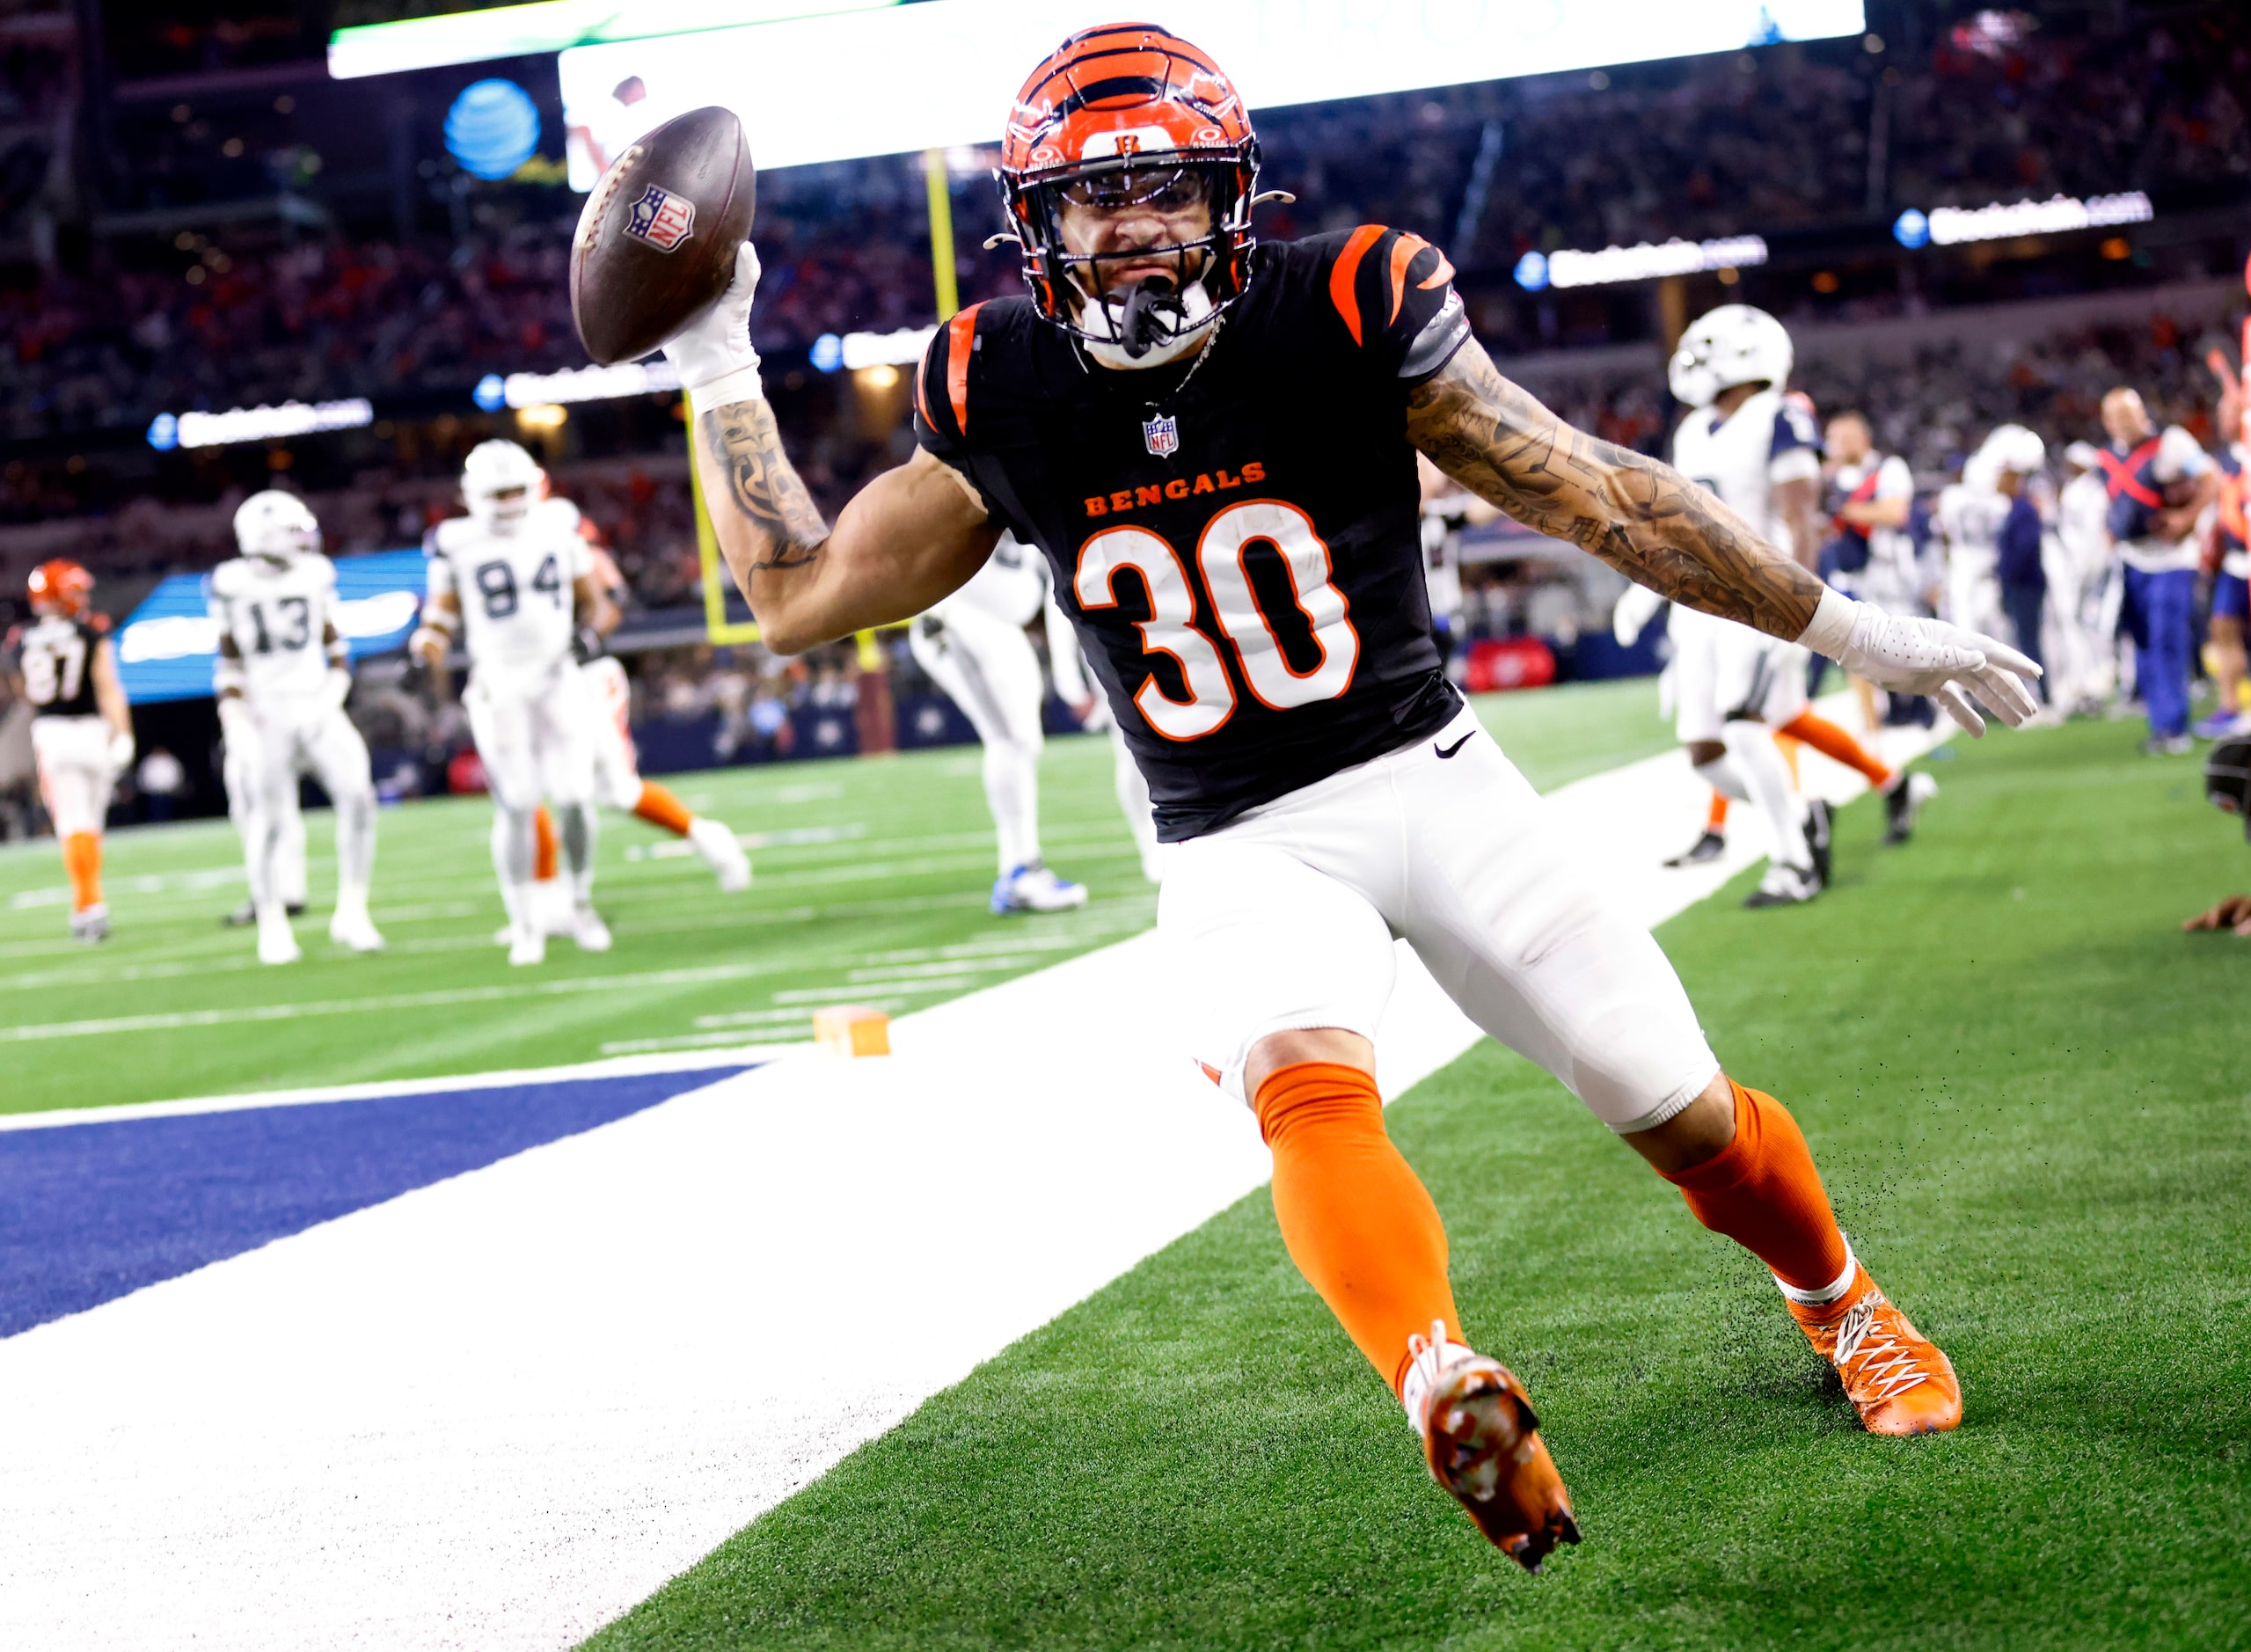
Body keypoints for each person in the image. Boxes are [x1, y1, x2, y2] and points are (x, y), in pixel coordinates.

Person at [644, 23, 2038, 1567]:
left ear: (1232, 197)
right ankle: (1438, 1376)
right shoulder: (998, 382)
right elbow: (792, 597)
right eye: (1096, 203)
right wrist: (714, 351)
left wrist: (1852, 632)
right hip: (1234, 835)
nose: (1134, 229)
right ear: (1034, 226)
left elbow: (1599, 494)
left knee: (1676, 1107)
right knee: (1303, 1085)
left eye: (1167, 188)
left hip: (1431, 778)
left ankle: (1842, 1301)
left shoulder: (1347, 301)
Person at [509, 500, 751, 938]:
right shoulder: (495, 550)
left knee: (616, 792)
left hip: (584, 678)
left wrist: (585, 635)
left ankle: (710, 840)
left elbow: (613, 602)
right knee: (525, 791)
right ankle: (543, 907)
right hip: (533, 685)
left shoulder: (566, 537)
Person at [413, 440, 613, 965]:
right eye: (497, 492)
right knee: (518, 803)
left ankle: (580, 902)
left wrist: (588, 637)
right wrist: (425, 647)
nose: (508, 502)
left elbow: (597, 605)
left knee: (573, 797)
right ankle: (525, 922)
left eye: (516, 490)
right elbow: (442, 613)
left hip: (556, 677)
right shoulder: (455, 542)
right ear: (473, 495)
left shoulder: (557, 525)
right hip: (498, 684)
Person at [208, 490, 385, 964]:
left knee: (359, 797)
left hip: (317, 704)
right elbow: (229, 663)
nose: (302, 537)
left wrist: (333, 692)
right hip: (266, 712)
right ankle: (272, 920)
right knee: (265, 822)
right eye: (291, 530)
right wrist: (235, 717)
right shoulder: (230, 582)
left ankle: (353, 909)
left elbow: (336, 646)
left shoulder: (316, 573)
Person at [908, 530, 1092, 913]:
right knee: (1012, 740)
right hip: (962, 612)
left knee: (1018, 741)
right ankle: (1021, 871)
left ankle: (1021, 869)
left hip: (987, 618)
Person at [17, 560, 130, 941]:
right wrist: (123, 733)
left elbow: (23, 692)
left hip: (52, 733)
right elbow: (107, 687)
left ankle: (88, 906)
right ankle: (90, 904)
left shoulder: (21, 637)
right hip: (93, 732)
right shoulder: (90, 630)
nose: (82, 597)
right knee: (90, 826)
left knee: (74, 826)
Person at [2101, 388, 2218, 755]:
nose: (2123, 422)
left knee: (2168, 638)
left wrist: (2187, 516)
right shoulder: (2111, 456)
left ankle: (2173, 726)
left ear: (2141, 412)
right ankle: (2161, 723)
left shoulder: (2171, 442)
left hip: (2172, 558)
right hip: (2134, 561)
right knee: (2145, 644)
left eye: (2127, 414)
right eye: (2115, 416)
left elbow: (2211, 479)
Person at [2194, 369, 2248, 740]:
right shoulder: (2222, 460)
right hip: (2235, 563)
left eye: (2229, 410)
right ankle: (2231, 708)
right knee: (2222, 629)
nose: (2222, 418)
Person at [2052, 441, 2118, 715]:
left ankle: (2093, 685)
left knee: (2087, 624)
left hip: (2085, 566)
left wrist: (2082, 570)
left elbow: (2089, 536)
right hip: (2092, 564)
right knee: (2089, 625)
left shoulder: (2080, 492)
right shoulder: (2095, 490)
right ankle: (2092, 683)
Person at [1986, 426, 2050, 701]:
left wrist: (2005, 572)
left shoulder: (2023, 508)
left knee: (2028, 641)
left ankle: (2041, 696)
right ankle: (2038, 694)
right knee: (2023, 640)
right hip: (2020, 583)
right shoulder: (2015, 507)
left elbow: (2025, 550)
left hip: (2026, 585)